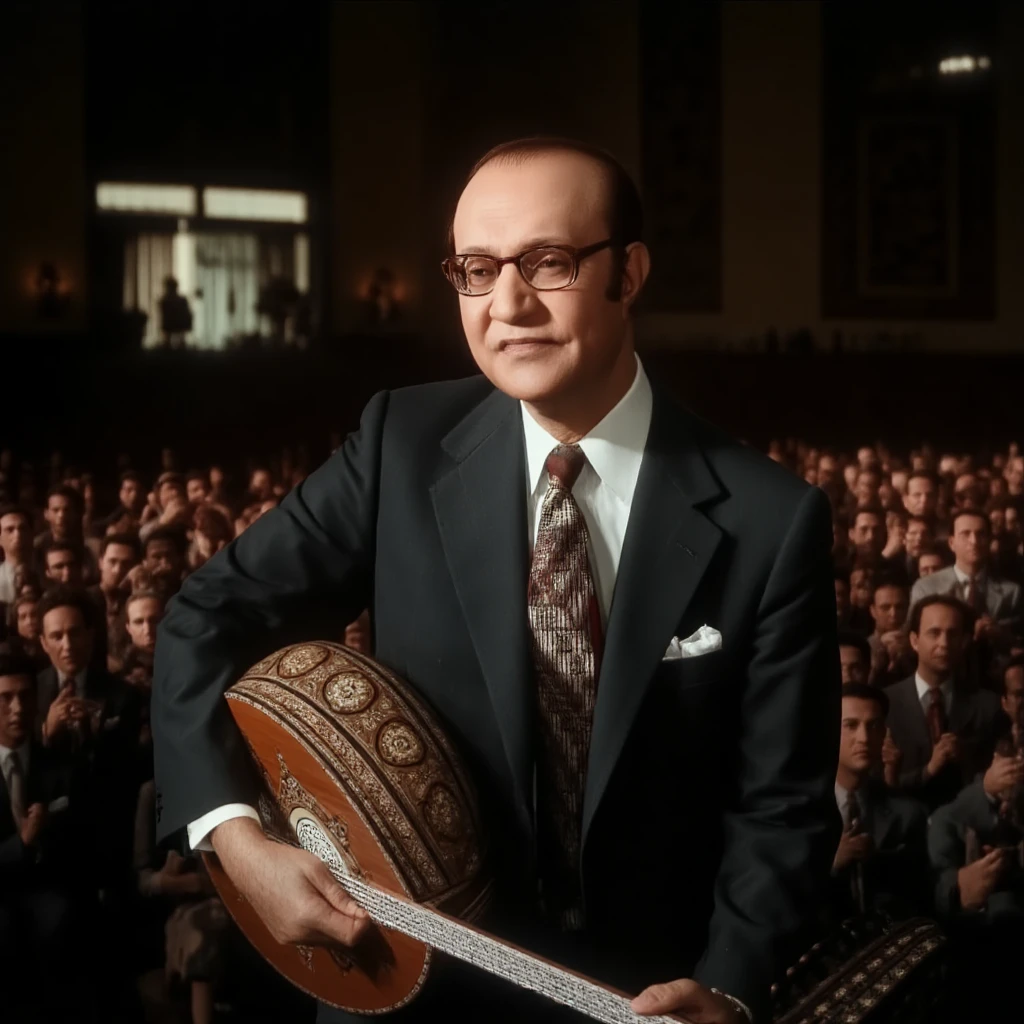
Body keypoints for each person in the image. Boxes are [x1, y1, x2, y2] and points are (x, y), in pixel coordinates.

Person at [152, 137, 841, 1024]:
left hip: (645, 1001)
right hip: (403, 982)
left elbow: (780, 809)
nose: (507, 303)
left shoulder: (771, 518)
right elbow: (208, 616)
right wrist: (234, 839)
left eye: (548, 262)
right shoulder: (400, 444)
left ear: (628, 273)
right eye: (476, 270)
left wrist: (734, 989)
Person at [885, 595, 1008, 811]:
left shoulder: (988, 706)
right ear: (914, 640)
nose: (944, 643)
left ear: (964, 642)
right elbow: (875, 785)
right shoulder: (885, 704)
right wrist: (928, 770)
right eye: (934, 633)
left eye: (953, 634)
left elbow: (997, 780)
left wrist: (965, 759)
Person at [830, 683, 929, 920]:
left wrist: (876, 860)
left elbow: (918, 897)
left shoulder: (908, 814)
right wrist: (831, 863)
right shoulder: (801, 811)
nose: (864, 738)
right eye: (850, 725)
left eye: (873, 726)